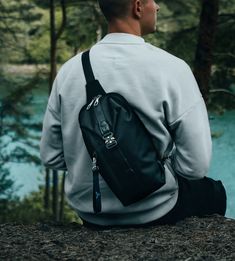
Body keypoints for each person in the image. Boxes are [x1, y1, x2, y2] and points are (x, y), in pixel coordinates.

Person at [40, 0, 226, 227]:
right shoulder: (172, 68)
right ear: (138, 6)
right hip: (156, 208)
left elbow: (51, 156)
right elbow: (195, 167)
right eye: (153, 1)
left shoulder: (69, 70)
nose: (157, 7)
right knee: (214, 192)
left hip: (91, 213)